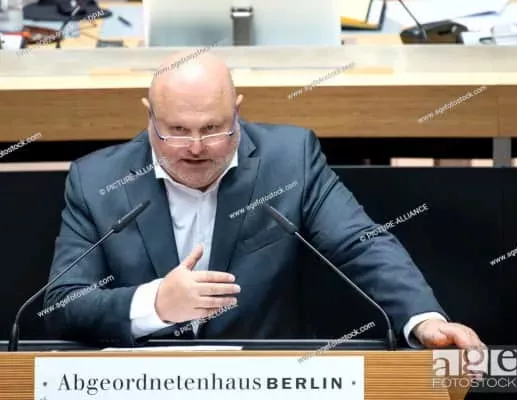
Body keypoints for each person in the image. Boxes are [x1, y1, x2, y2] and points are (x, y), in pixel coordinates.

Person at [44, 51, 484, 349]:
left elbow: (359, 244)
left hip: (266, 379)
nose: (195, 147)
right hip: (141, 386)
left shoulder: (289, 160)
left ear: (237, 109)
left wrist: (424, 320)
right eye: (176, 131)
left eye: (213, 128)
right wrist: (155, 304)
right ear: (149, 115)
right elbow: (62, 304)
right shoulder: (98, 180)